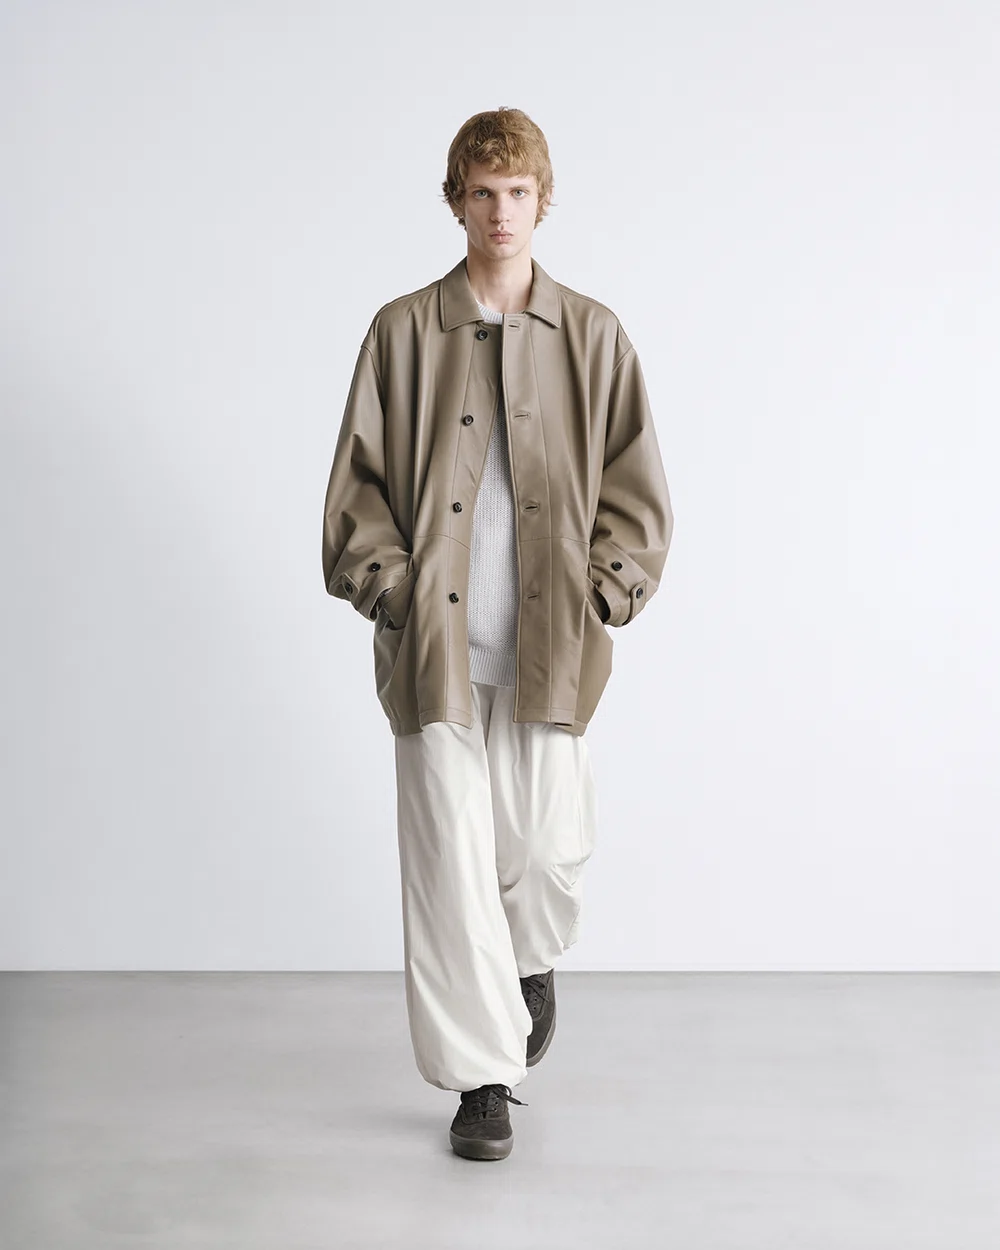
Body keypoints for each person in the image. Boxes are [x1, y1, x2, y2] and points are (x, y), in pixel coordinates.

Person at [321, 106, 673, 1161]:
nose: (500, 212)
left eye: (517, 192)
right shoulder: (401, 332)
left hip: (546, 652)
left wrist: (603, 595)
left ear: (543, 201)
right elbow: (356, 489)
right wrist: (391, 591)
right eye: (481, 193)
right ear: (455, 202)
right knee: (451, 870)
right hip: (433, 653)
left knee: (543, 852)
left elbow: (637, 489)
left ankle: (530, 961)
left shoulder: (594, 335)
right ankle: (483, 1078)